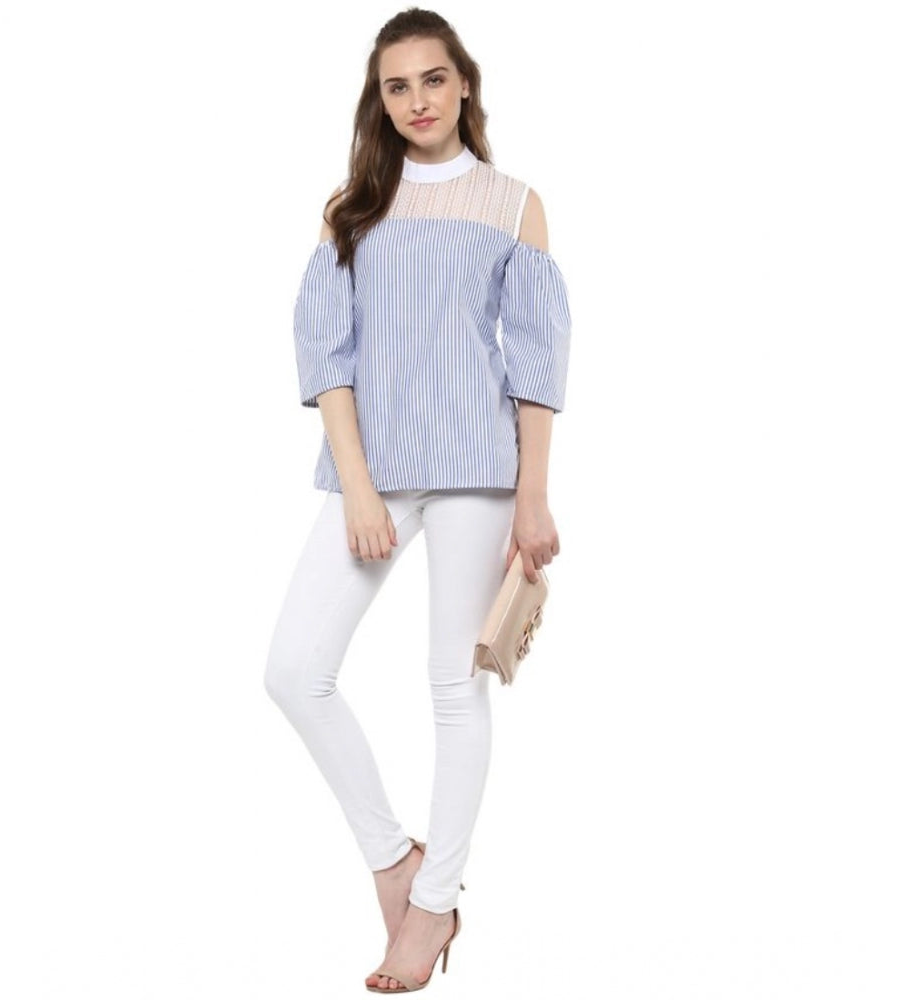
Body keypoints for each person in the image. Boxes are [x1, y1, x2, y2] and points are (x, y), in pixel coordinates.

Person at [264, 8, 572, 992]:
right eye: (397, 87)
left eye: (432, 79)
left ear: (463, 83)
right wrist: (358, 486)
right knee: (294, 670)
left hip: (481, 467)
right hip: (376, 473)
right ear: (381, 100)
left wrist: (533, 497)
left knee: (453, 685)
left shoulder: (513, 203)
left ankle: (435, 903)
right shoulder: (353, 206)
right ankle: (394, 859)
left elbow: (536, 362)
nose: (417, 101)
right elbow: (328, 354)